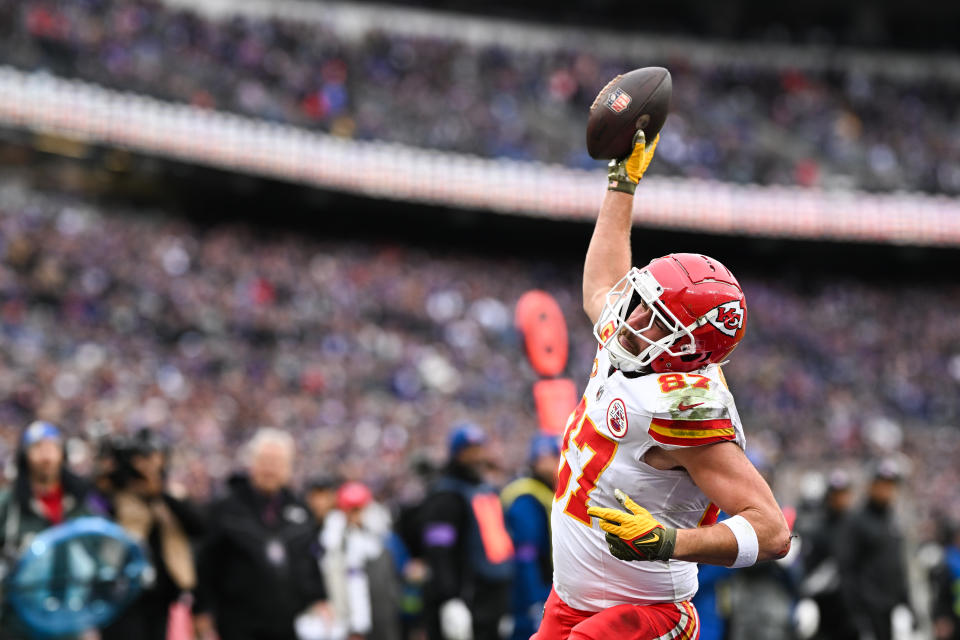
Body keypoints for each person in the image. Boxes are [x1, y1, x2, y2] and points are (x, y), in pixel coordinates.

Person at [534, 129, 791, 640]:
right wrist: (621, 184)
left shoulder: (684, 407)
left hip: (648, 612)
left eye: (655, 320)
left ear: (691, 349)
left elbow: (773, 530)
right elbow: (601, 285)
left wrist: (670, 541)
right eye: (640, 305)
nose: (631, 322)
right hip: (572, 601)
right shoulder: (631, 344)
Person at [194, 428, 329, 640]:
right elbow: (206, 564)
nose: (270, 469)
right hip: (236, 623)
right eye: (265, 461)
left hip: (288, 624)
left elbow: (310, 563)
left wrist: (320, 599)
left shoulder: (301, 511)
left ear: (289, 468)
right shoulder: (226, 508)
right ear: (252, 464)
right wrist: (202, 613)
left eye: (277, 462)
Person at [98, 428, 207, 640]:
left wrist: (159, 491)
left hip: (161, 597)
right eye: (140, 459)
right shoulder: (114, 497)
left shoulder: (169, 497)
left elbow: (199, 527)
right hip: (122, 595)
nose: (147, 465)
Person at [0, 421, 95, 639]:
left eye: (52, 447)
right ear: (25, 456)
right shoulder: (9, 506)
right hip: (17, 622)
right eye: (37, 447)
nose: (46, 455)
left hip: (71, 620)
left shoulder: (80, 505)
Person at [420, 424, 514, 640]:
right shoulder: (446, 496)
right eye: (470, 450)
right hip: (464, 599)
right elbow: (439, 551)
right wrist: (449, 598)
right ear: (457, 454)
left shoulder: (487, 491)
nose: (478, 456)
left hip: (491, 600)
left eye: (480, 449)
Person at [836, 460, 912, 640]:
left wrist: (907, 605)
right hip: (868, 611)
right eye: (882, 483)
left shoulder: (893, 520)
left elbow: (898, 567)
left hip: (891, 609)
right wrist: (856, 616)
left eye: (891, 485)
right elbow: (846, 570)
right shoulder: (855, 521)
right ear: (871, 485)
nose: (887, 489)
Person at [317, 481, 401, 640]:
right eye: (351, 510)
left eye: (359, 509)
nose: (356, 515)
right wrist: (355, 626)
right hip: (353, 622)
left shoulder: (379, 536)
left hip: (382, 615)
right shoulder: (336, 542)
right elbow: (348, 586)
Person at [501, 434, 560, 640]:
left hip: (545, 586)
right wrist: (535, 598)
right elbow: (526, 554)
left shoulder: (546, 491)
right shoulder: (527, 496)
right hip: (531, 591)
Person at [799, 470, 858, 640]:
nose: (840, 499)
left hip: (852, 611)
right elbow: (807, 573)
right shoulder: (817, 530)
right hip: (824, 610)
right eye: (836, 494)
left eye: (843, 494)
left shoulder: (856, 527)